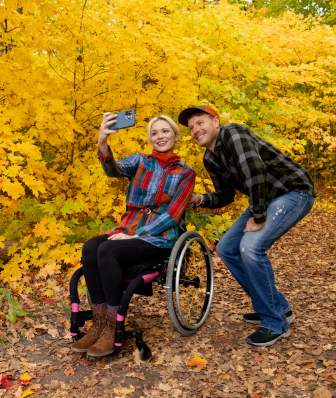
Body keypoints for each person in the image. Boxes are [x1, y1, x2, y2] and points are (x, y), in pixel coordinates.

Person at [178, 105, 315, 347]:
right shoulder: (210, 158)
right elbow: (226, 195)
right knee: (227, 248)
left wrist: (258, 216)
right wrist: (200, 200)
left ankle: (275, 323)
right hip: (267, 197)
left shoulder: (233, 134)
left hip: (293, 192)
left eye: (200, 123)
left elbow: (256, 172)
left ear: (215, 122)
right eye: (191, 128)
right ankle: (276, 307)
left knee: (250, 247)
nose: (195, 130)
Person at [72, 113, 195, 357]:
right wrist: (103, 143)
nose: (160, 136)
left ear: (175, 135)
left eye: (165, 131)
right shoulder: (140, 161)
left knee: (107, 249)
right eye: (155, 132)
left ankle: (113, 329)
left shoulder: (185, 173)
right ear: (150, 138)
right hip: (128, 230)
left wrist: (137, 234)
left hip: (159, 238)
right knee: (90, 247)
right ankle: (100, 323)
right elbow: (113, 170)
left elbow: (172, 215)